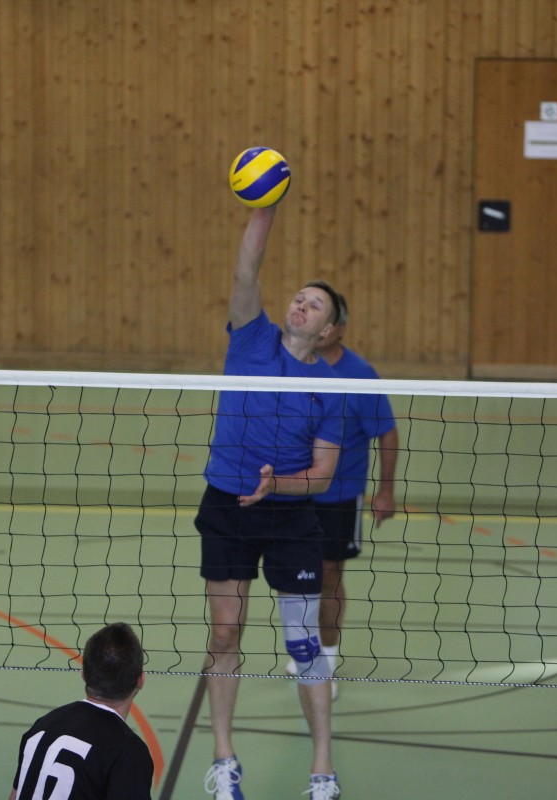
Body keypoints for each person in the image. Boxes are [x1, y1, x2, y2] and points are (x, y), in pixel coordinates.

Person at [195, 206, 345, 800]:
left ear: (328, 331)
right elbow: (247, 267)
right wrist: (268, 201)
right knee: (225, 633)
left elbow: (322, 476)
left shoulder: (330, 389)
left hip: (289, 516)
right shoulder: (251, 336)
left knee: (304, 644)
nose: (301, 305)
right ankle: (225, 760)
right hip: (227, 505)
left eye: (316, 305)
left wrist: (275, 485)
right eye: (299, 297)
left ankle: (322, 769)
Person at [290, 291, 399, 700]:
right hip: (295, 491)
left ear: (337, 329)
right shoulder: (291, 366)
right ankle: (304, 647)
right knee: (297, 576)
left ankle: (327, 658)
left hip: (339, 495)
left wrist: (385, 490)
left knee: (330, 573)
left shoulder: (359, 374)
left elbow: (387, 431)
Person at [9, 621, 154, 800]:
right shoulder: (127, 752)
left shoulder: (43, 726)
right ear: (141, 680)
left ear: (83, 673)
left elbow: (15, 796)